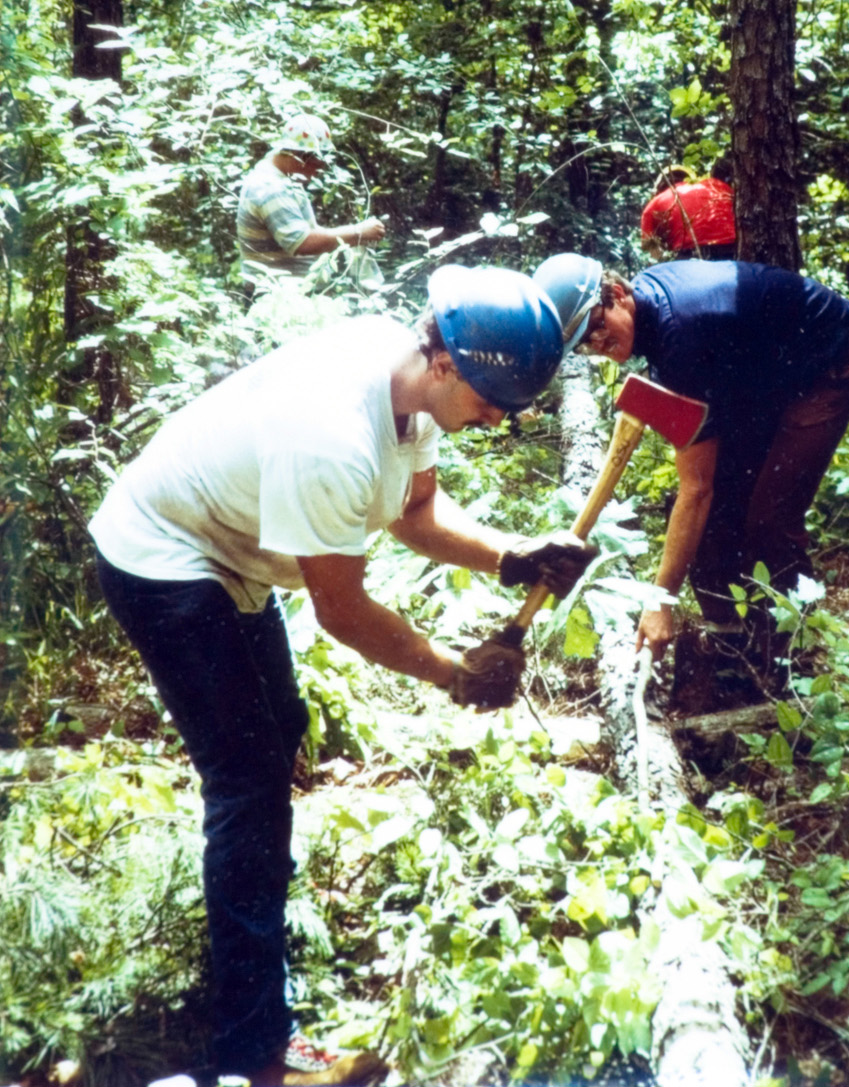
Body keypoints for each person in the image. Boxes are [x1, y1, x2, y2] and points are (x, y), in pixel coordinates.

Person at [89, 265, 594, 1086]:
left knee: (273, 738)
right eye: (494, 401)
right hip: (165, 558)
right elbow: (344, 611)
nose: (499, 420)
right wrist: (454, 674)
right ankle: (256, 1053)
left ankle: (253, 991)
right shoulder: (332, 433)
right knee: (247, 779)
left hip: (229, 558)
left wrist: (512, 555)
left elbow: (417, 515)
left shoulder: (409, 387)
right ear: (445, 362)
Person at [533, 254, 849, 711]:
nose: (598, 345)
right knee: (717, 516)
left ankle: (795, 665)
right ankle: (730, 651)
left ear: (617, 295)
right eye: (582, 344)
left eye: (596, 328)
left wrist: (659, 602)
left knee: (768, 521)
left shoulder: (683, 335)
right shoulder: (656, 316)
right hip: (764, 377)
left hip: (830, 369)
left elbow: (695, 490)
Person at [237, 112, 386, 288]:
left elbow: (304, 231)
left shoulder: (280, 177)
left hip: (291, 295)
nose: (317, 172)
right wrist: (357, 232)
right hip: (276, 299)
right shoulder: (271, 188)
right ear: (299, 156)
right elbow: (302, 242)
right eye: (317, 164)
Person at [640, 159, 736, 261]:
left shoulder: (654, 204)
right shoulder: (717, 185)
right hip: (734, 248)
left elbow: (652, 250)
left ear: (659, 187)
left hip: (691, 256)